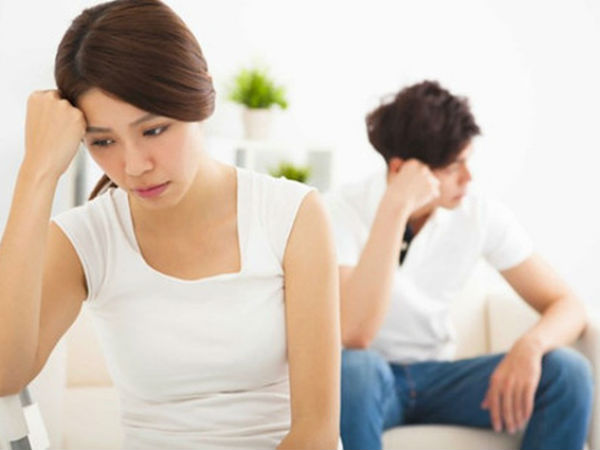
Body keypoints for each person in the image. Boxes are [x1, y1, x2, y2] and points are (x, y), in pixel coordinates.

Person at [0, 1, 341, 448]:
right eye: (103, 141)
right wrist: (37, 172)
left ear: (200, 97)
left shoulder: (292, 214)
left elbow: (317, 432)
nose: (134, 166)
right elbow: (4, 374)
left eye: (154, 130)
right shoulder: (86, 239)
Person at [326, 80, 593, 450]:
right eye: (454, 167)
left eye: (467, 161)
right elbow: (355, 333)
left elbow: (569, 305)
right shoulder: (340, 210)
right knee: (355, 370)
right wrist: (396, 206)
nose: (468, 178)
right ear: (401, 169)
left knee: (568, 372)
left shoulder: (478, 214)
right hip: (369, 381)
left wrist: (530, 346)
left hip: (441, 379)